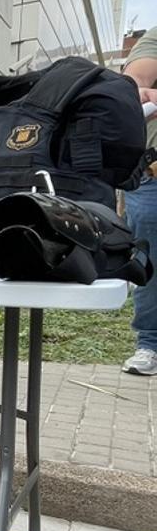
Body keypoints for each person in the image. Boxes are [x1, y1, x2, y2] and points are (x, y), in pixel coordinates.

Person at [122, 27, 157, 375]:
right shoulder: (156, 38)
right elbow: (133, 81)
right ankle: (149, 343)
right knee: (149, 262)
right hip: (152, 176)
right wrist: (138, 89)